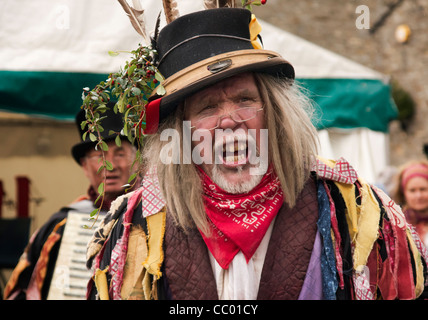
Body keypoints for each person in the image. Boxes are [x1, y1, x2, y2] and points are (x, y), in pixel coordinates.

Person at [85, 8, 427, 300]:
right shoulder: (136, 223)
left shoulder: (354, 207)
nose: (229, 120)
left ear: (275, 113)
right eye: (207, 107)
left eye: (245, 100)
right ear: (184, 130)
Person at [3, 104, 139, 300]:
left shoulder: (155, 216)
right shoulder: (60, 225)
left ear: (135, 159)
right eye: (99, 155)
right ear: (85, 166)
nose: (111, 165)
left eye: (120, 154)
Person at [392, 160, 428, 248]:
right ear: (404, 193)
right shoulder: (396, 226)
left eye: (423, 189)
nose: (418, 196)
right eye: (412, 190)